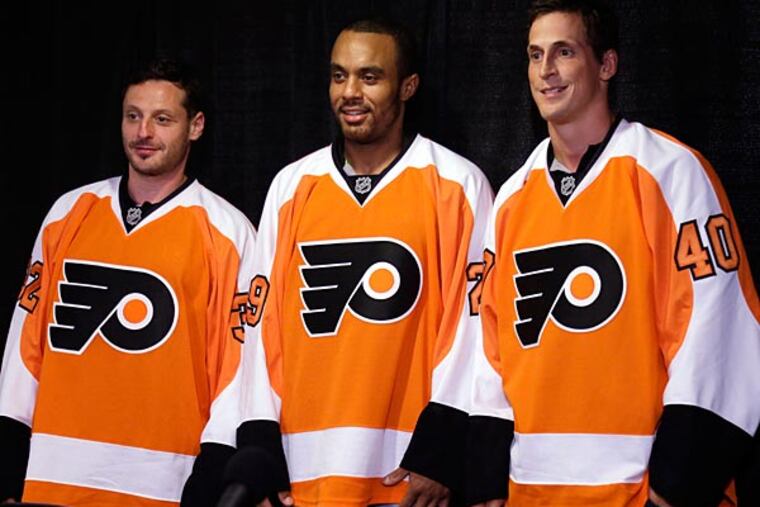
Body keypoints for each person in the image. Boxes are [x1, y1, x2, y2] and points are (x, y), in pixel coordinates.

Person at [468, 0, 760, 505]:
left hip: (641, 490)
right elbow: (490, 352)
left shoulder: (671, 172)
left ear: (606, 65)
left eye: (564, 52)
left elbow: (720, 330)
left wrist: (675, 487)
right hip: (532, 492)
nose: (546, 71)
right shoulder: (512, 198)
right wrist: (487, 481)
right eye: (535, 55)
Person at [234, 18, 494, 506]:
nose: (349, 92)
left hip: (405, 475)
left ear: (408, 87)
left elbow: (474, 325)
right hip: (304, 474)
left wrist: (442, 445)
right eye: (338, 76)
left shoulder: (458, 184)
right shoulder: (291, 186)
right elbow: (260, 325)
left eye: (369, 77)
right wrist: (261, 445)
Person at [0, 58, 257, 506]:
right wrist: (8, 452)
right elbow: (25, 346)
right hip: (51, 479)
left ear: (195, 126)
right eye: (133, 116)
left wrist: (212, 466)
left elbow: (235, 370)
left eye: (162, 119)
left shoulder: (229, 231)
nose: (143, 133)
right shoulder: (69, 212)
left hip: (162, 484)